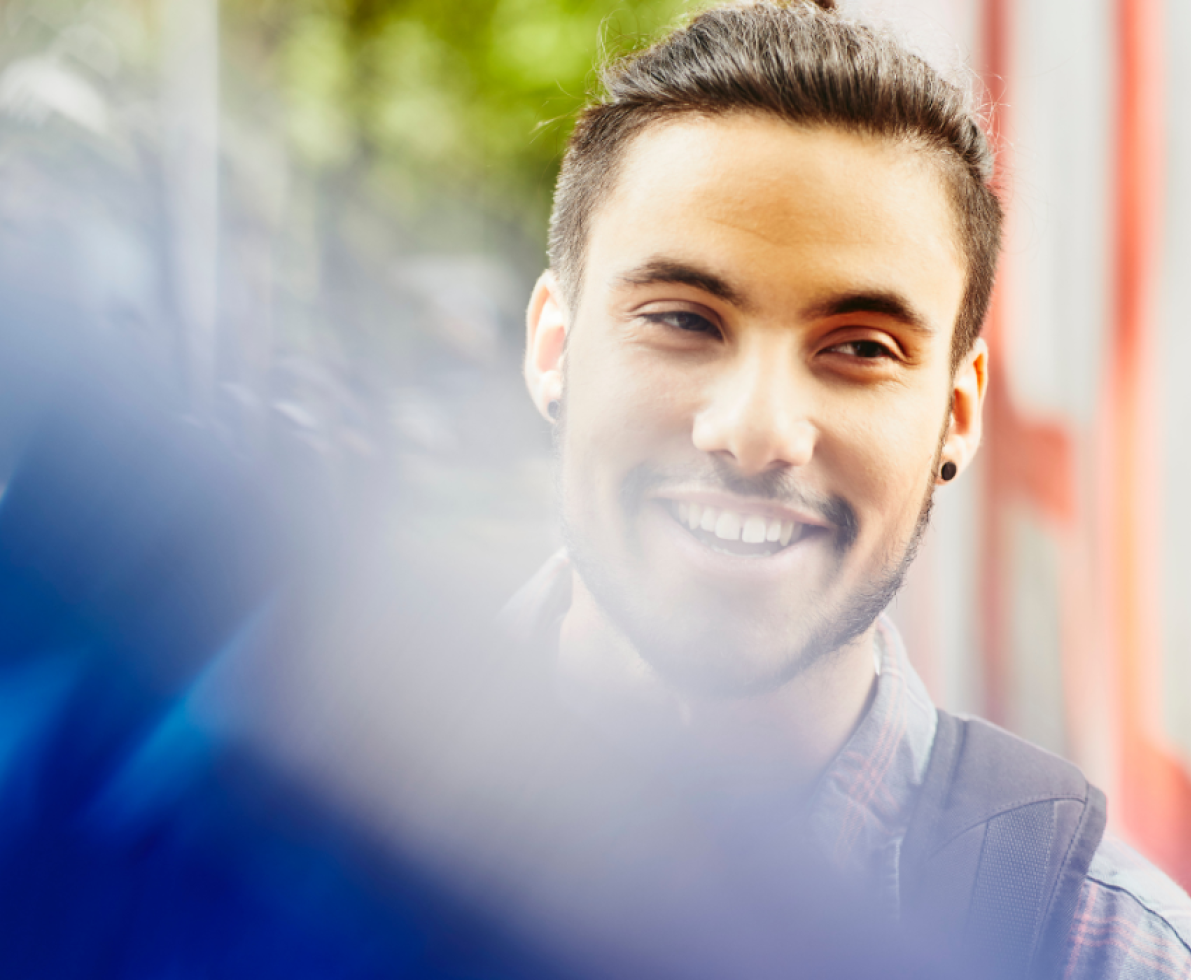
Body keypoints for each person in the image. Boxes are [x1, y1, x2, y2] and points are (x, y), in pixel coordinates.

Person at [504, 1, 1191, 976]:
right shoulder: (274, 817)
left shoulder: (1112, 952)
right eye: (684, 319)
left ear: (958, 413)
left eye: (861, 348)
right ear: (555, 349)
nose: (753, 432)